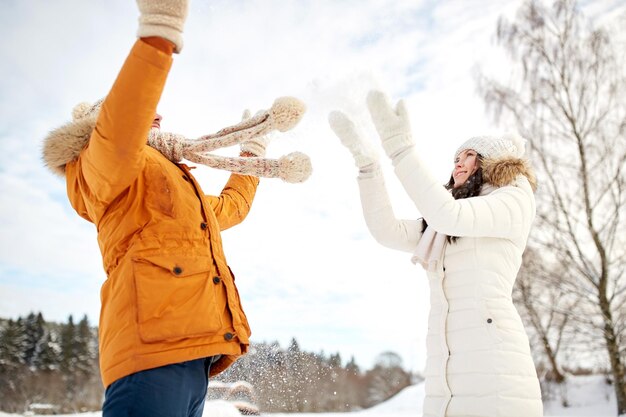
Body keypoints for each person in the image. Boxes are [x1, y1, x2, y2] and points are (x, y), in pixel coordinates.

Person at [41, 1, 308, 416]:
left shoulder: (173, 178)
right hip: (150, 352)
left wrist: (253, 152)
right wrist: (159, 35)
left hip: (196, 355)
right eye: (147, 113)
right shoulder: (102, 163)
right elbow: (122, 124)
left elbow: (231, 209)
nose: (159, 114)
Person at [329, 90, 542, 417]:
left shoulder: (512, 198)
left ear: (493, 162)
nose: (458, 161)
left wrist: (400, 147)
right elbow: (387, 231)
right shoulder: (447, 222)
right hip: (447, 375)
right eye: (455, 157)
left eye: (469, 154)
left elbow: (447, 214)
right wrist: (369, 165)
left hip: (496, 372)